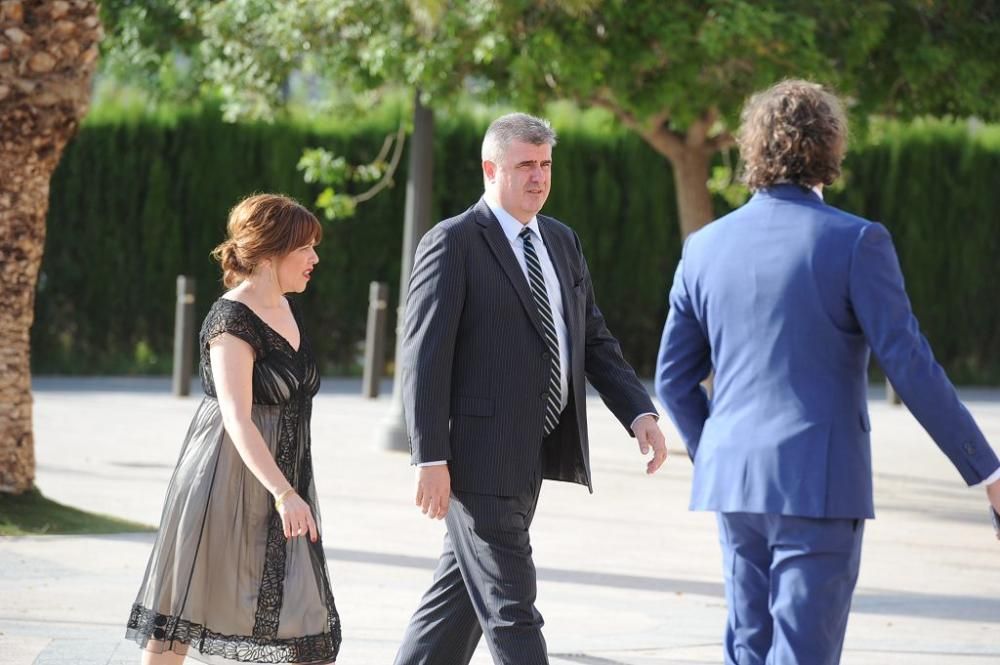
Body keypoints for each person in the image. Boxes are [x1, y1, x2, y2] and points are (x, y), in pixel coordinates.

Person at [655, 79, 1000, 665]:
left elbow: (671, 379)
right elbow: (910, 366)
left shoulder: (704, 247)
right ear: (831, 146)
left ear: (752, 149)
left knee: (749, 650)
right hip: (818, 485)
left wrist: (714, 449)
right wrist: (985, 468)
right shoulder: (857, 241)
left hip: (735, 484)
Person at [392, 112, 669, 665]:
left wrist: (640, 413)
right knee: (512, 608)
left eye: (545, 165)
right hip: (477, 459)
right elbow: (424, 357)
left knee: (460, 601)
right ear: (490, 168)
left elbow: (592, 338)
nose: (538, 177)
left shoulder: (561, 242)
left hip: (531, 453)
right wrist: (430, 457)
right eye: (525, 165)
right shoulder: (453, 242)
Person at [125, 194, 341, 665]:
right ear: (269, 252)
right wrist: (285, 494)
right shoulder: (230, 320)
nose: (315, 258)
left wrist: (288, 489)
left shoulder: (287, 308)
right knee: (178, 616)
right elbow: (236, 417)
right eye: (304, 248)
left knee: (308, 620)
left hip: (282, 477)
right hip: (223, 480)